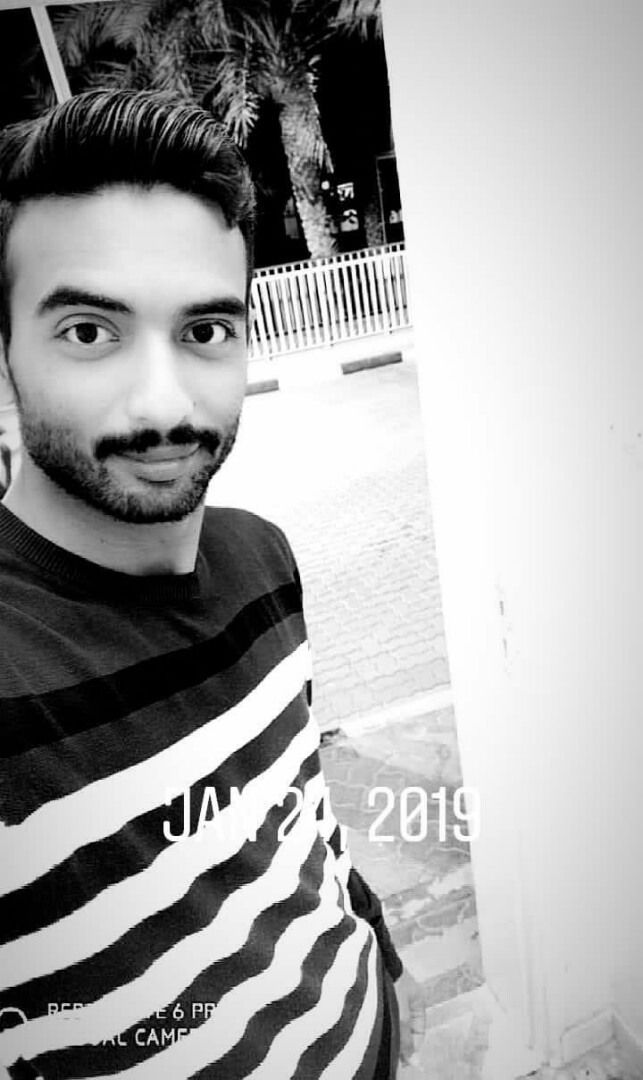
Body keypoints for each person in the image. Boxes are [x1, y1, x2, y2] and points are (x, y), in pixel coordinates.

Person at [0, 90, 425, 1079]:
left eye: (204, 331)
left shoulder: (261, 558)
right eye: (89, 332)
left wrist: (381, 965)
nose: (163, 403)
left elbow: (300, 814)